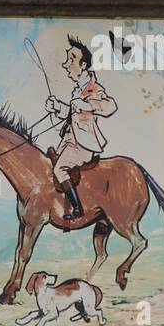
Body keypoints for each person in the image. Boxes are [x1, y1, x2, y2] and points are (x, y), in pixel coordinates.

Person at [45, 35, 117, 220]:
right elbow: (72, 113)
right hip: (69, 141)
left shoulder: (93, 88)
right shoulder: (78, 89)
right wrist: (57, 107)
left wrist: (88, 105)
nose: (66, 64)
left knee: (59, 169)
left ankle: (78, 208)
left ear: (84, 65)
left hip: (83, 144)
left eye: (72, 59)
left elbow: (110, 106)